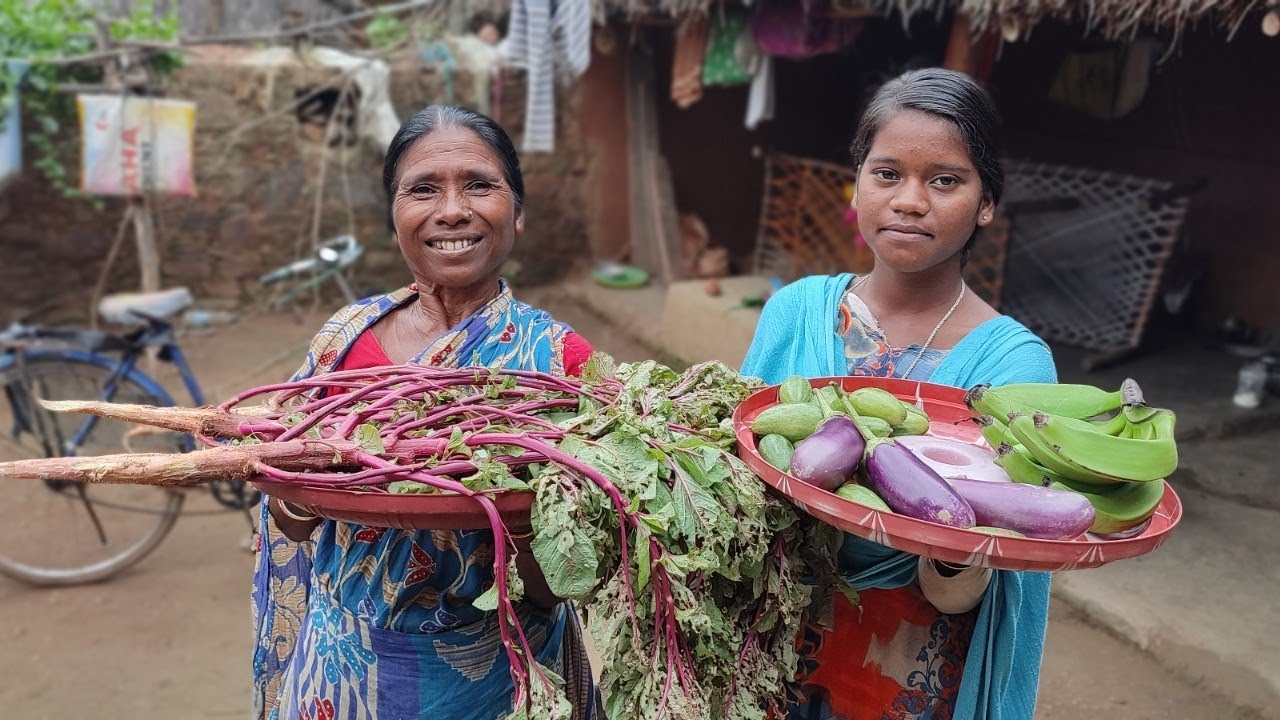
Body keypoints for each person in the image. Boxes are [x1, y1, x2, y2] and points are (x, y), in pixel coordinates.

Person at [251, 105, 599, 720]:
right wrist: (306, 480)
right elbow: (293, 523)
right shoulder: (345, 338)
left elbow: (561, 581)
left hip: (499, 677)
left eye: (480, 185)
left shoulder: (558, 362)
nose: (452, 211)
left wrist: (515, 510)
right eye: (423, 190)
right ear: (395, 220)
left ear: (517, 211)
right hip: (343, 665)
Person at [741, 68, 1057, 720]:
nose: (911, 199)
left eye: (945, 180)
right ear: (855, 187)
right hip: (763, 639)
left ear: (987, 202)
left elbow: (1004, 554)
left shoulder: (1013, 365)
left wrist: (951, 552)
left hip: (909, 659)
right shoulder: (795, 311)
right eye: (887, 174)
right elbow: (741, 460)